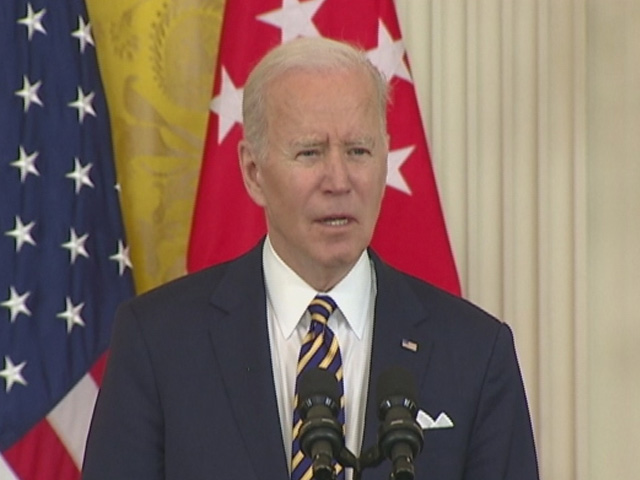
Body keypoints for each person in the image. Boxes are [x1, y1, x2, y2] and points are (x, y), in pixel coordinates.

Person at [82, 37, 539, 480]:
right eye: (310, 153)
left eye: (358, 151)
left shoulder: (476, 353)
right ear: (253, 172)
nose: (338, 181)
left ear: (384, 160)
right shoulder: (158, 342)